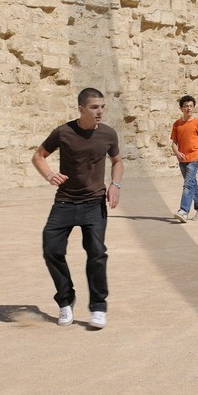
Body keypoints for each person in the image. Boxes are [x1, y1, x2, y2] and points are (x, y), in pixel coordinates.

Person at [32, 87, 123, 329]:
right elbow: (39, 156)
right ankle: (65, 301)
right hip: (64, 203)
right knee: (51, 249)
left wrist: (115, 184)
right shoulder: (63, 132)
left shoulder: (108, 134)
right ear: (81, 109)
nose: (100, 111)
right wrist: (49, 175)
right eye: (94, 107)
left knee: (96, 254)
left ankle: (98, 307)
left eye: (103, 106)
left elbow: (117, 161)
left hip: (94, 203)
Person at [170, 94, 198, 223]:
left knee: (187, 184)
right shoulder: (177, 124)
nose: (189, 108)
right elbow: (174, 143)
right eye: (186, 106)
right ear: (181, 108)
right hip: (182, 159)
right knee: (192, 184)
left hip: (194, 157)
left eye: (191, 106)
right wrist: (177, 153)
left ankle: (183, 211)